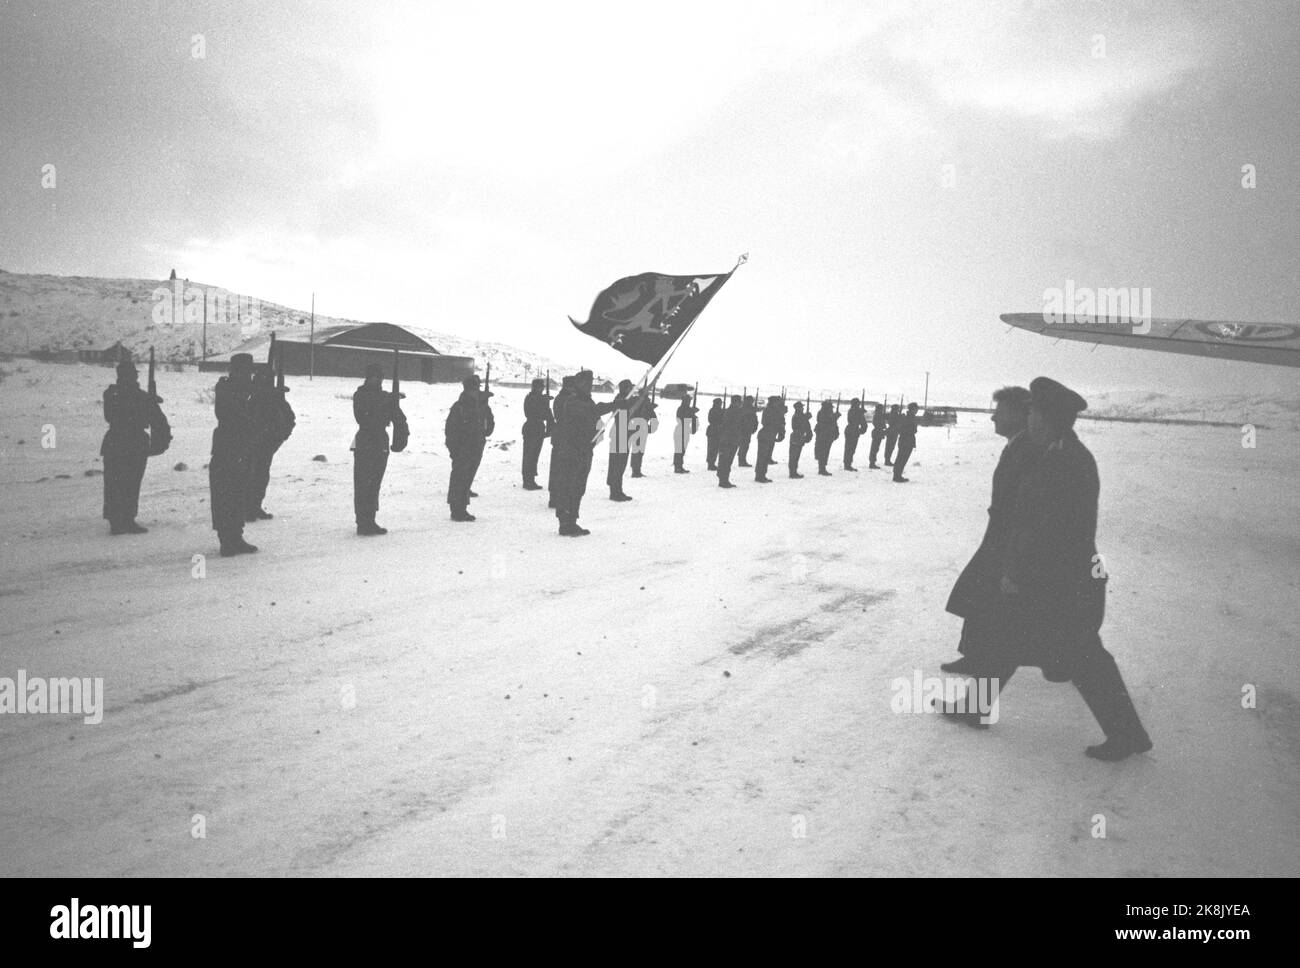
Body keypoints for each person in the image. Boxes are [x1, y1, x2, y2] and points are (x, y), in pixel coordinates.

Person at [937, 377, 1153, 762]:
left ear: (1047, 417)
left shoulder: (1067, 461)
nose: (1029, 417)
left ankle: (1127, 734)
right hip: (1055, 577)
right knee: (1007, 640)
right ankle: (974, 708)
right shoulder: (1057, 453)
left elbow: (1050, 530)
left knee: (1085, 656)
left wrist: (1017, 573)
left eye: (1034, 411)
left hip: (1061, 582)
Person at [942, 386, 1038, 674]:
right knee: (982, 597)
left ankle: (979, 675)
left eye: (1000, 411)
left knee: (996, 605)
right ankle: (974, 658)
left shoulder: (1026, 450)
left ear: (1019, 415)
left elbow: (1025, 508)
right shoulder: (1018, 446)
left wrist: (1014, 554)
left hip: (1009, 541)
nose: (993, 418)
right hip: (1000, 538)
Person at [100, 359, 164, 535]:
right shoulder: (121, 395)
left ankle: (122, 520)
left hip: (119, 443)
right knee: (124, 483)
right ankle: (122, 520)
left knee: (124, 483)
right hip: (130, 442)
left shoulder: (116, 394)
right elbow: (114, 415)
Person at [551, 370, 617, 535]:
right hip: (571, 451)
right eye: (584, 383)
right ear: (577, 385)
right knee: (568, 486)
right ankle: (564, 522)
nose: (587, 386)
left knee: (579, 487)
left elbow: (593, 412)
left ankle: (572, 520)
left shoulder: (586, 401)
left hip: (584, 450)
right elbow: (592, 411)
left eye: (589, 383)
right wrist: (614, 405)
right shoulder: (571, 401)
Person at [209, 353, 258, 556]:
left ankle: (236, 536)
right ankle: (226, 540)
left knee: (239, 493)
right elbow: (231, 413)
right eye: (246, 370)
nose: (249, 374)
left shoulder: (247, 389)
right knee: (225, 495)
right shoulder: (226, 388)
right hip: (227, 447)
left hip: (243, 447)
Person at [352, 363, 408, 535]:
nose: (376, 381)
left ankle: (370, 519)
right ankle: (362, 522)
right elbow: (365, 414)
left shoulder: (385, 397)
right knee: (363, 484)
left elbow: (398, 418)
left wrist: (401, 439)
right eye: (373, 377)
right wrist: (390, 399)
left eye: (379, 378)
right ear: (368, 378)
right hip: (366, 440)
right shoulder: (360, 395)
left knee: (374, 484)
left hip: (380, 443)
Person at [245, 363, 295, 521]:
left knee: (261, 476)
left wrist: (280, 437)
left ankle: (255, 506)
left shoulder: (275, 398)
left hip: (267, 444)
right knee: (249, 476)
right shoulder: (251, 397)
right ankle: (247, 509)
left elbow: (289, 419)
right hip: (251, 443)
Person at [445, 375, 489, 521]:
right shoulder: (460, 407)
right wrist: (455, 451)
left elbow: (488, 427)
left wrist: (485, 407)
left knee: (467, 478)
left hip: (476, 447)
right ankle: (457, 509)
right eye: (474, 389)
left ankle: (461, 507)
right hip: (463, 449)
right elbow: (450, 431)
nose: (476, 392)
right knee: (460, 478)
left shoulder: (479, 406)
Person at [547, 376, 574, 508]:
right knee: (560, 469)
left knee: (558, 468)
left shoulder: (562, 398)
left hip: (561, 436)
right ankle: (555, 497)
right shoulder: (566, 399)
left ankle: (555, 497)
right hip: (564, 436)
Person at [521, 378, 553, 491]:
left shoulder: (538, 398)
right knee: (529, 455)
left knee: (534, 456)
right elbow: (532, 413)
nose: (542, 389)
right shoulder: (530, 398)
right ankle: (527, 480)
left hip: (538, 428)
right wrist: (543, 402)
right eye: (541, 387)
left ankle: (530, 479)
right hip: (532, 428)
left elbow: (547, 414)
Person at [606, 379, 635, 501]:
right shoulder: (620, 400)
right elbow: (622, 416)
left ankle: (617, 490)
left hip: (622, 434)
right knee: (617, 464)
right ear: (625, 388)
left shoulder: (624, 399)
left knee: (620, 464)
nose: (631, 390)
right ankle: (615, 492)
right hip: (620, 434)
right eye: (629, 388)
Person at [754, 395, 786, 483]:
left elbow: (781, 422)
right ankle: (759, 475)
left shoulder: (776, 411)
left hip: (770, 436)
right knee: (762, 457)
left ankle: (762, 474)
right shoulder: (768, 410)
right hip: (765, 435)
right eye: (777, 402)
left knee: (766, 457)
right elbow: (766, 422)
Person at [715, 395, 745, 488]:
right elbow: (733, 426)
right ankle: (723, 480)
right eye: (739, 401)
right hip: (729, 440)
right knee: (726, 461)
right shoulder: (733, 412)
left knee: (726, 460)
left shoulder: (731, 411)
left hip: (730, 439)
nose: (741, 403)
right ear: (736, 402)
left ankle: (723, 478)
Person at [629, 389, 659, 479]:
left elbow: (653, 418)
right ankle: (636, 471)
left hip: (639, 428)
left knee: (638, 450)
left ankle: (636, 470)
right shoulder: (637, 403)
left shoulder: (640, 403)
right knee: (638, 450)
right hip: (639, 427)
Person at [892, 402, 919, 482]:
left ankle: (898, 475)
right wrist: (911, 430)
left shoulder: (910, 417)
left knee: (903, 459)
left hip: (908, 441)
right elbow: (901, 429)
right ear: (913, 409)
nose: (917, 410)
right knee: (901, 458)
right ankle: (897, 476)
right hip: (906, 441)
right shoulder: (907, 418)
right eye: (916, 409)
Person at [813, 400, 840, 476]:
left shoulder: (828, 414)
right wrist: (834, 417)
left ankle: (822, 468)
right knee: (822, 452)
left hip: (828, 435)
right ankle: (822, 469)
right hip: (823, 435)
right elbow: (827, 421)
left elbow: (833, 423)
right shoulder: (822, 413)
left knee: (825, 452)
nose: (831, 409)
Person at [673, 395, 698, 473]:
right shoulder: (681, 409)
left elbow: (693, 419)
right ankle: (677, 467)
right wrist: (691, 412)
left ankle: (679, 466)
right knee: (679, 450)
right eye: (688, 401)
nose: (689, 402)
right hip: (680, 430)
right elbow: (681, 419)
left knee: (682, 450)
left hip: (685, 430)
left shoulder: (688, 409)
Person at [788, 401, 812, 478]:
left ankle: (794, 471)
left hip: (799, 437)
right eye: (801, 407)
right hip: (796, 437)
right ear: (798, 408)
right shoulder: (797, 416)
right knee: (793, 456)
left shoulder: (800, 415)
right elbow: (799, 426)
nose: (802, 408)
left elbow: (806, 425)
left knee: (796, 456)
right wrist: (806, 418)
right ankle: (792, 473)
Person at [842, 398, 867, 471]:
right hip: (852, 430)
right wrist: (860, 412)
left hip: (852, 430)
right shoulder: (853, 411)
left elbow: (862, 422)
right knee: (849, 448)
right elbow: (855, 420)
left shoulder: (854, 410)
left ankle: (848, 464)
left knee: (851, 449)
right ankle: (847, 465)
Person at [736, 395, 759, 467]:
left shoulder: (749, 408)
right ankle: (741, 460)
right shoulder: (744, 409)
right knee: (743, 445)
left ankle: (742, 460)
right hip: (743, 430)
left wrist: (754, 428)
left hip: (748, 430)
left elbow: (755, 420)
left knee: (745, 445)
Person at [704, 398, 723, 470]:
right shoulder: (713, 411)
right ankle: (710, 464)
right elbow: (712, 420)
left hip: (718, 432)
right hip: (713, 431)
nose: (721, 404)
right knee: (712, 448)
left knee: (716, 449)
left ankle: (712, 463)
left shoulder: (720, 410)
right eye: (720, 403)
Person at [868, 404, 887, 469]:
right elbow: (877, 423)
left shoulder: (878, 415)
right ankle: (872, 463)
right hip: (877, 432)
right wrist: (882, 425)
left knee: (875, 448)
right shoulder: (877, 415)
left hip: (878, 432)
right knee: (874, 448)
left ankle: (872, 462)